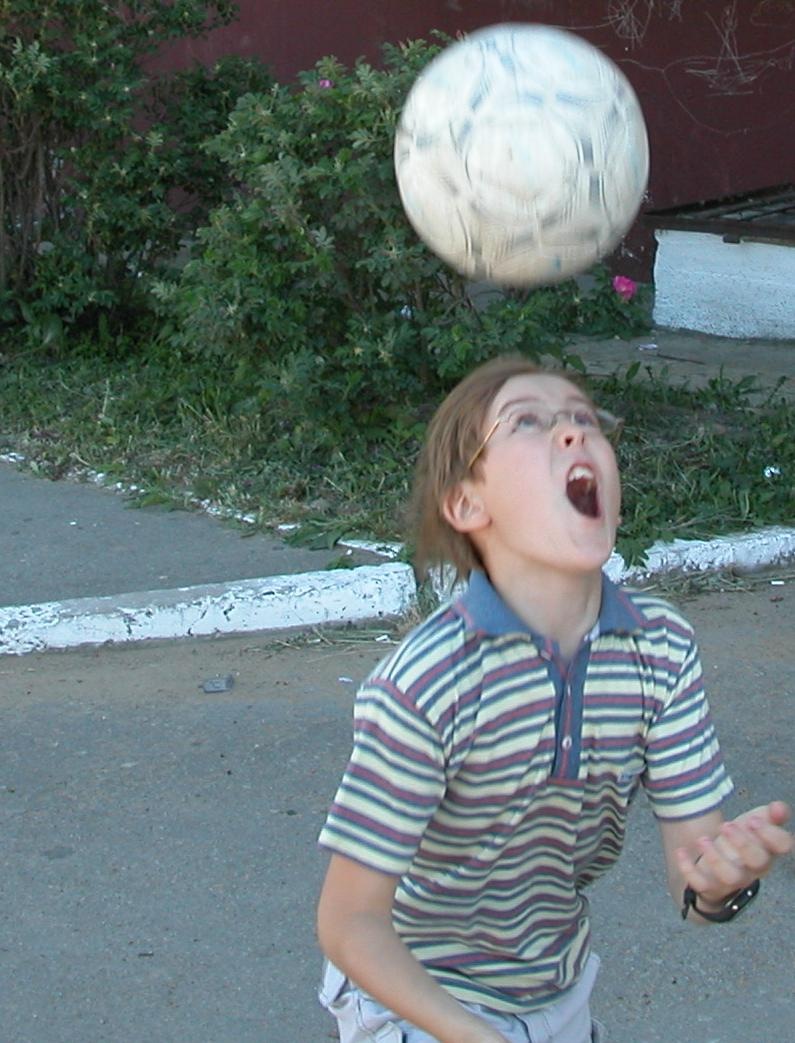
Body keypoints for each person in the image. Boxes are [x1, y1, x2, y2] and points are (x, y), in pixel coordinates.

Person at [315, 355, 792, 1043]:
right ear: (466, 504)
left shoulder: (660, 648)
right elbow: (349, 922)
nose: (572, 432)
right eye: (527, 423)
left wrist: (721, 883)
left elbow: (693, 885)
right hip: (415, 997)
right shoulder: (427, 681)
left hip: (555, 989)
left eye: (583, 418)